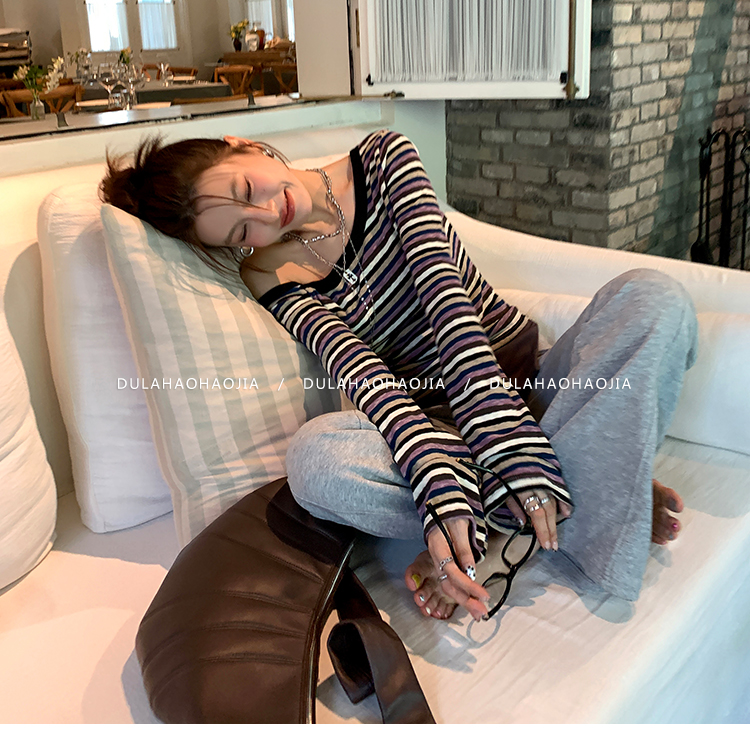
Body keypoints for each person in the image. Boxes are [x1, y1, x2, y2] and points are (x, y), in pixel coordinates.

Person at [101, 129, 698, 623]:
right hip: (441, 430)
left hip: (526, 378)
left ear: (245, 146)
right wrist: (433, 477)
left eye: (244, 189)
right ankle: (585, 484)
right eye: (240, 231)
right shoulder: (268, 274)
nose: (263, 214)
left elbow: (448, 306)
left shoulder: (385, 158)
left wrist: (503, 434)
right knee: (316, 461)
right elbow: (363, 374)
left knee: (653, 297)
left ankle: (511, 515)